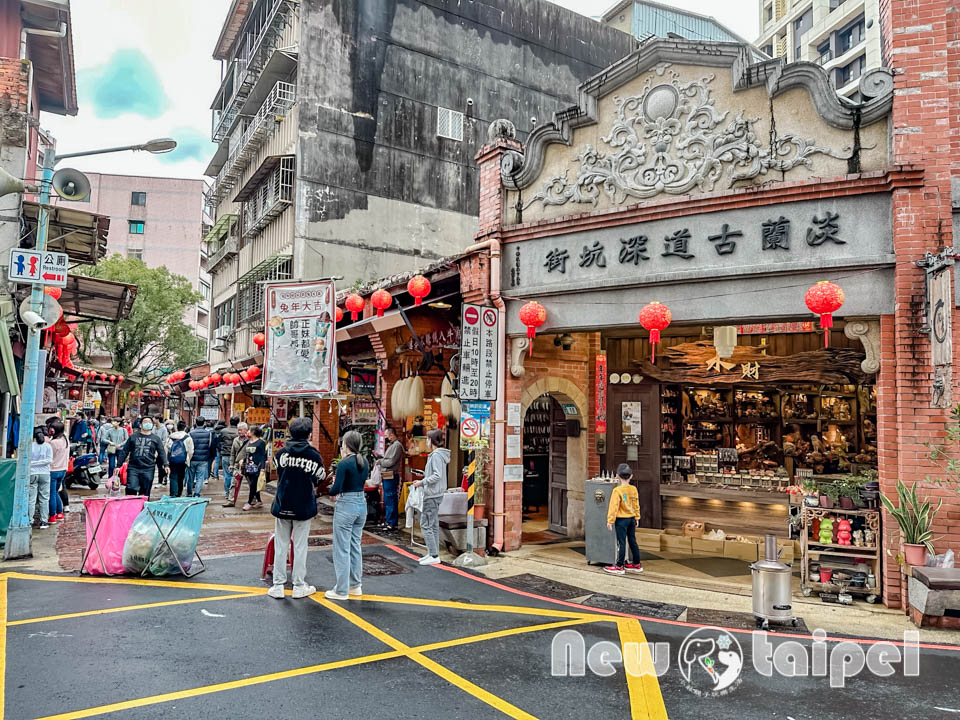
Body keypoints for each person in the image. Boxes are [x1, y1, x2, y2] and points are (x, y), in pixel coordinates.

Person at [268, 417, 326, 600]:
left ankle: (278, 585)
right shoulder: (314, 455)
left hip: (283, 503)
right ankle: (299, 585)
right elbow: (320, 477)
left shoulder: (281, 453)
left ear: (290, 433)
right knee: (300, 546)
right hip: (303, 505)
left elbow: (278, 471)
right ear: (309, 434)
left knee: (281, 544)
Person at [326, 430, 368, 600]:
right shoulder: (364, 461)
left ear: (345, 444)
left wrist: (330, 489)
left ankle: (341, 590)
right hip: (361, 504)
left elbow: (336, 489)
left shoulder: (344, 464)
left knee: (341, 549)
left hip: (346, 506)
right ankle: (355, 586)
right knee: (355, 546)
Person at [413, 428, 449, 566]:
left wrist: (422, 482)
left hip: (432, 494)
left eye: (428, 439)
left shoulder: (436, 456)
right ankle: (433, 553)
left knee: (426, 524)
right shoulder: (439, 455)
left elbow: (437, 475)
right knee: (433, 523)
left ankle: (433, 554)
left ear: (432, 440)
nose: (426, 441)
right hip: (436, 493)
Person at [604, 463, 643, 576]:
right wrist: (637, 517)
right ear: (631, 476)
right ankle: (636, 564)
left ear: (617, 476)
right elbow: (636, 504)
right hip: (631, 518)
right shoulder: (633, 489)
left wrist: (610, 520)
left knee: (621, 542)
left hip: (621, 520)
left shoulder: (617, 491)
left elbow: (614, 506)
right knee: (632, 541)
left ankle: (619, 566)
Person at [117, 417, 167, 498]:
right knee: (131, 488)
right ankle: (130, 508)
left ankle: (142, 508)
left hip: (148, 468)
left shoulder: (156, 439)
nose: (147, 423)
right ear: (140, 425)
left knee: (145, 492)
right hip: (134, 468)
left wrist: (166, 464)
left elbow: (162, 452)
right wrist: (118, 466)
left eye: (149, 422)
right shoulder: (133, 437)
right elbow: (125, 451)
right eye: (145, 422)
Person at [379, 426, 405, 530]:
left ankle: (391, 522)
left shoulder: (397, 446)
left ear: (391, 434)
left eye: (386, 435)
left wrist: (381, 461)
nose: (386, 438)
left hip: (391, 474)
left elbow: (390, 462)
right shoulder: (392, 445)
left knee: (390, 498)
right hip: (387, 474)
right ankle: (388, 520)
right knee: (387, 498)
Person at [28, 429, 52, 529]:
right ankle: (44, 521)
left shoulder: (30, 446)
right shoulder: (48, 446)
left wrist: (33, 464)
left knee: (31, 498)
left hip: (32, 473)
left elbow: (27, 460)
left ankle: (29, 520)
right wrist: (41, 463)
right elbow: (49, 460)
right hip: (45, 473)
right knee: (44, 498)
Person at [187, 417, 217, 497]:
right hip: (203, 459)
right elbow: (210, 446)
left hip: (192, 458)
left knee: (191, 476)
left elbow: (188, 446)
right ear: (204, 423)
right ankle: (197, 493)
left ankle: (189, 493)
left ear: (195, 423)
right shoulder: (209, 434)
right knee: (200, 477)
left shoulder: (191, 433)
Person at [223, 422, 249, 507]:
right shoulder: (236, 440)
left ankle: (254, 499)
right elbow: (233, 453)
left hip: (248, 464)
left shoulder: (250, 440)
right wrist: (231, 464)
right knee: (234, 483)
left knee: (251, 483)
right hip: (238, 465)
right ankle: (231, 500)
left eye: (241, 430)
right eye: (238, 430)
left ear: (246, 430)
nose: (239, 432)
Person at [241, 426, 267, 511]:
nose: (248, 432)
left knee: (252, 485)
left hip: (257, 467)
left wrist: (263, 467)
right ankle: (259, 501)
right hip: (248, 466)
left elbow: (263, 456)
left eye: (249, 430)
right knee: (254, 485)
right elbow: (246, 454)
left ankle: (249, 502)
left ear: (253, 432)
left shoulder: (261, 443)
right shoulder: (248, 442)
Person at [165, 421, 194, 497]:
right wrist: (188, 460)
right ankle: (179, 492)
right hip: (183, 461)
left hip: (172, 460)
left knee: (173, 476)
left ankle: (173, 493)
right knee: (181, 477)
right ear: (185, 428)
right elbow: (191, 451)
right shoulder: (188, 438)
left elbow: (166, 448)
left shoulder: (171, 437)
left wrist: (166, 460)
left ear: (177, 428)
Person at [48, 421, 68, 522]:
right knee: (55, 492)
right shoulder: (65, 440)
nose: (50, 431)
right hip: (63, 470)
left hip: (53, 470)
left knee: (52, 494)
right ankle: (59, 513)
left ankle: (52, 516)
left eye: (52, 429)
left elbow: (49, 457)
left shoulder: (53, 443)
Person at [217, 417, 239, 500]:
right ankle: (233, 493)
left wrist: (221, 450)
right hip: (237, 456)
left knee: (227, 475)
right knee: (236, 475)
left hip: (226, 455)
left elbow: (218, 442)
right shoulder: (239, 432)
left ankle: (227, 493)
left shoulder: (223, 431)